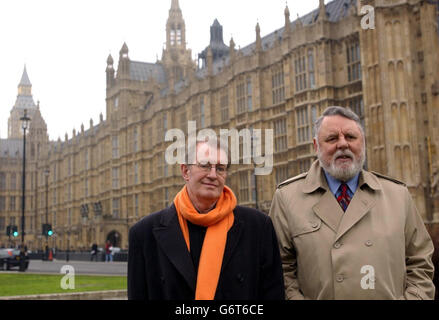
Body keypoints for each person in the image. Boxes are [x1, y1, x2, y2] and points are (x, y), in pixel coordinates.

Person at [269, 106, 435, 300]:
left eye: (350, 137)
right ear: (316, 146)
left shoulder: (398, 195)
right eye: (332, 139)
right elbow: (279, 271)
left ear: (362, 142)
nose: (342, 144)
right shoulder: (287, 198)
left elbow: (420, 263)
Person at [128, 139, 285, 300]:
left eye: (220, 168)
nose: (212, 175)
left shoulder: (258, 227)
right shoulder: (144, 234)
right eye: (204, 165)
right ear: (185, 171)